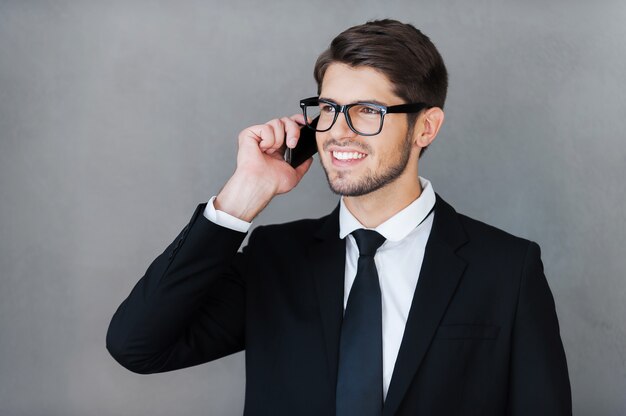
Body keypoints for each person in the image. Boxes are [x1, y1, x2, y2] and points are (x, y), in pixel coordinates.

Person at [106, 19, 572, 415]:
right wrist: (242, 196)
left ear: (424, 127)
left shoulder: (507, 269)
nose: (337, 132)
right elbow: (137, 345)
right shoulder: (275, 259)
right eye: (328, 109)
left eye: (367, 111)